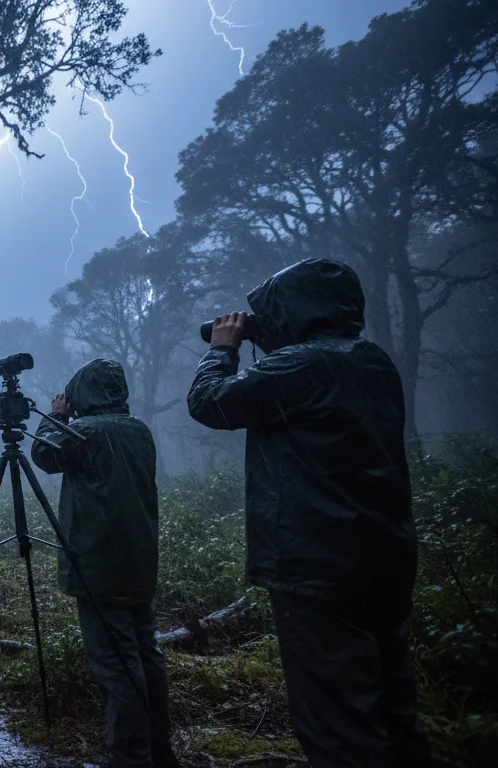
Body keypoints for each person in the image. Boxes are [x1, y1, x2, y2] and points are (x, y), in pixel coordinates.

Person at [187, 258, 432, 768]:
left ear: (294, 311)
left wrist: (221, 351)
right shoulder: (372, 360)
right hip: (383, 556)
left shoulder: (301, 365)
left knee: (336, 722)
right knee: (392, 705)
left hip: (316, 566)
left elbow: (210, 404)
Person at [31, 359, 179, 768]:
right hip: (139, 561)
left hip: (101, 565)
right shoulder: (139, 431)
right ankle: (158, 749)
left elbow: (44, 454)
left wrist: (54, 417)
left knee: (117, 668)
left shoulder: (85, 433)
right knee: (146, 655)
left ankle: (130, 759)